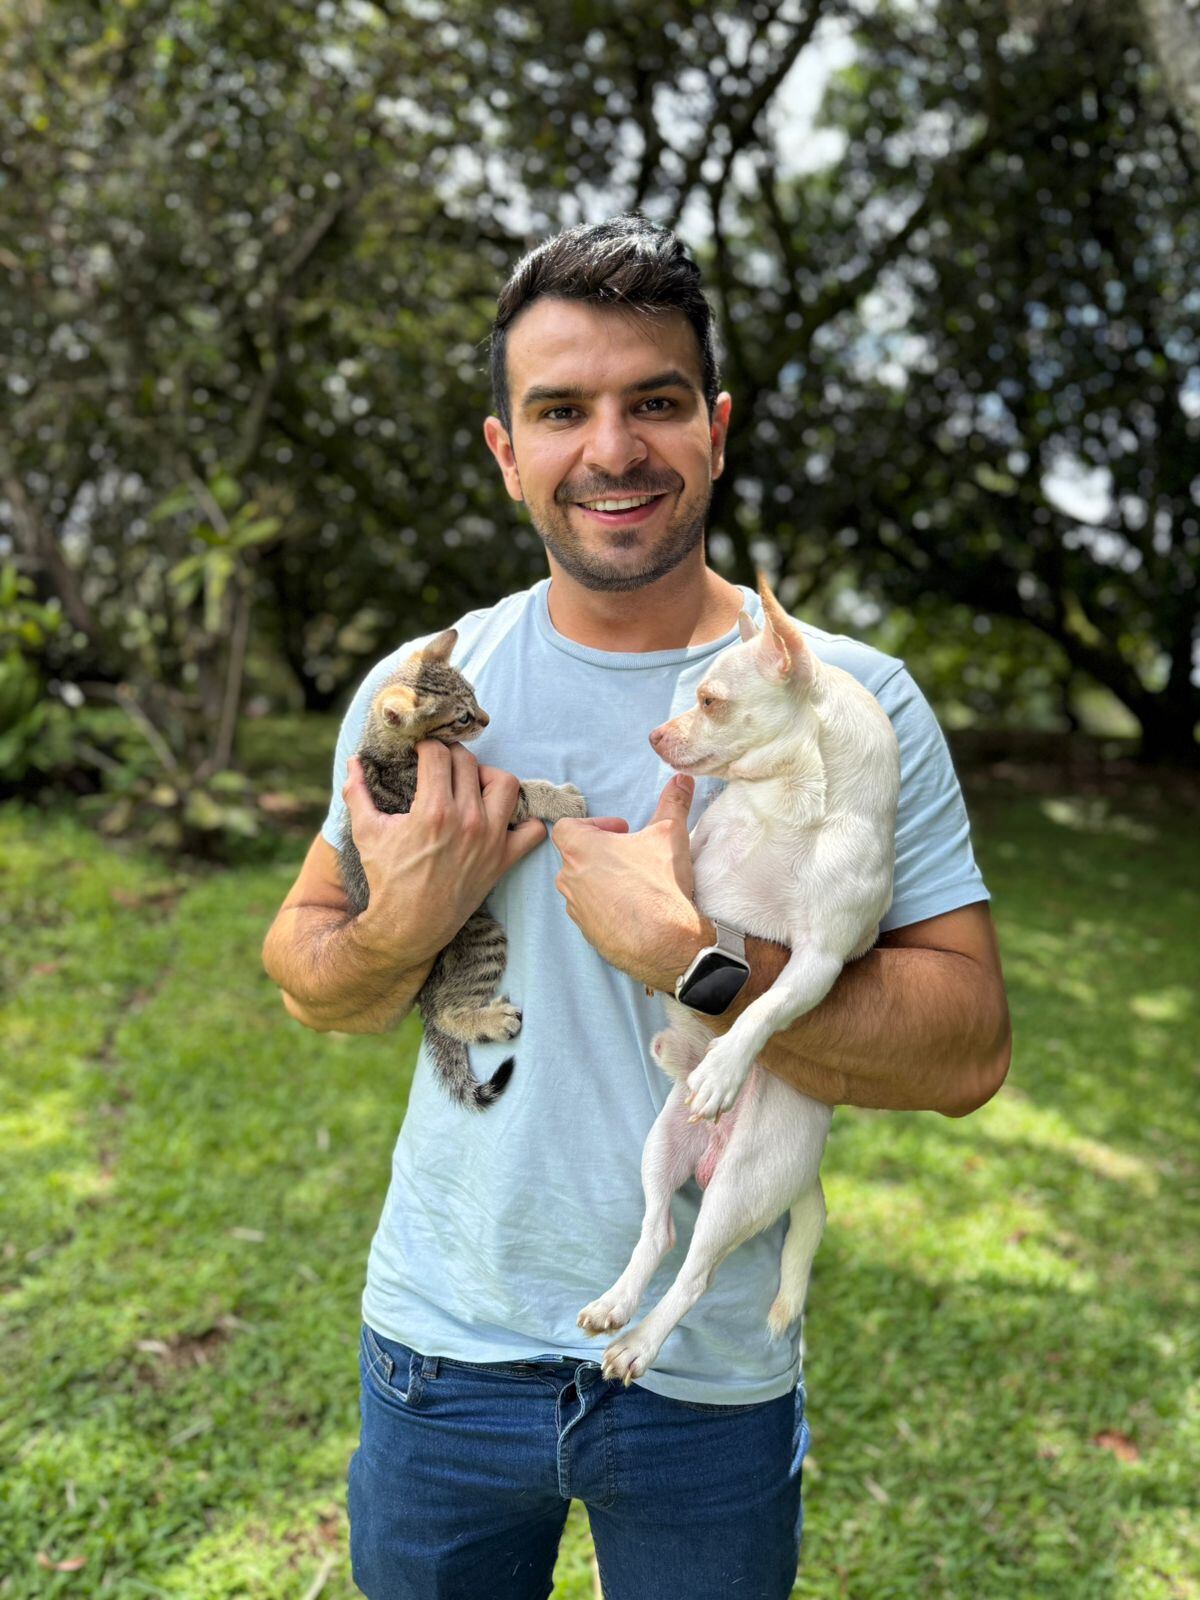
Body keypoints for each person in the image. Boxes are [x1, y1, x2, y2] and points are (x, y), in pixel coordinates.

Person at [261, 215, 1011, 1600]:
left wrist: (696, 958)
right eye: (561, 410)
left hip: (703, 1383)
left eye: (654, 402)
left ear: (714, 430)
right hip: (438, 1359)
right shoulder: (427, 689)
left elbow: (967, 1051)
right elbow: (312, 980)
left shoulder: (854, 704)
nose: (612, 449)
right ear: (507, 451)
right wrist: (400, 919)